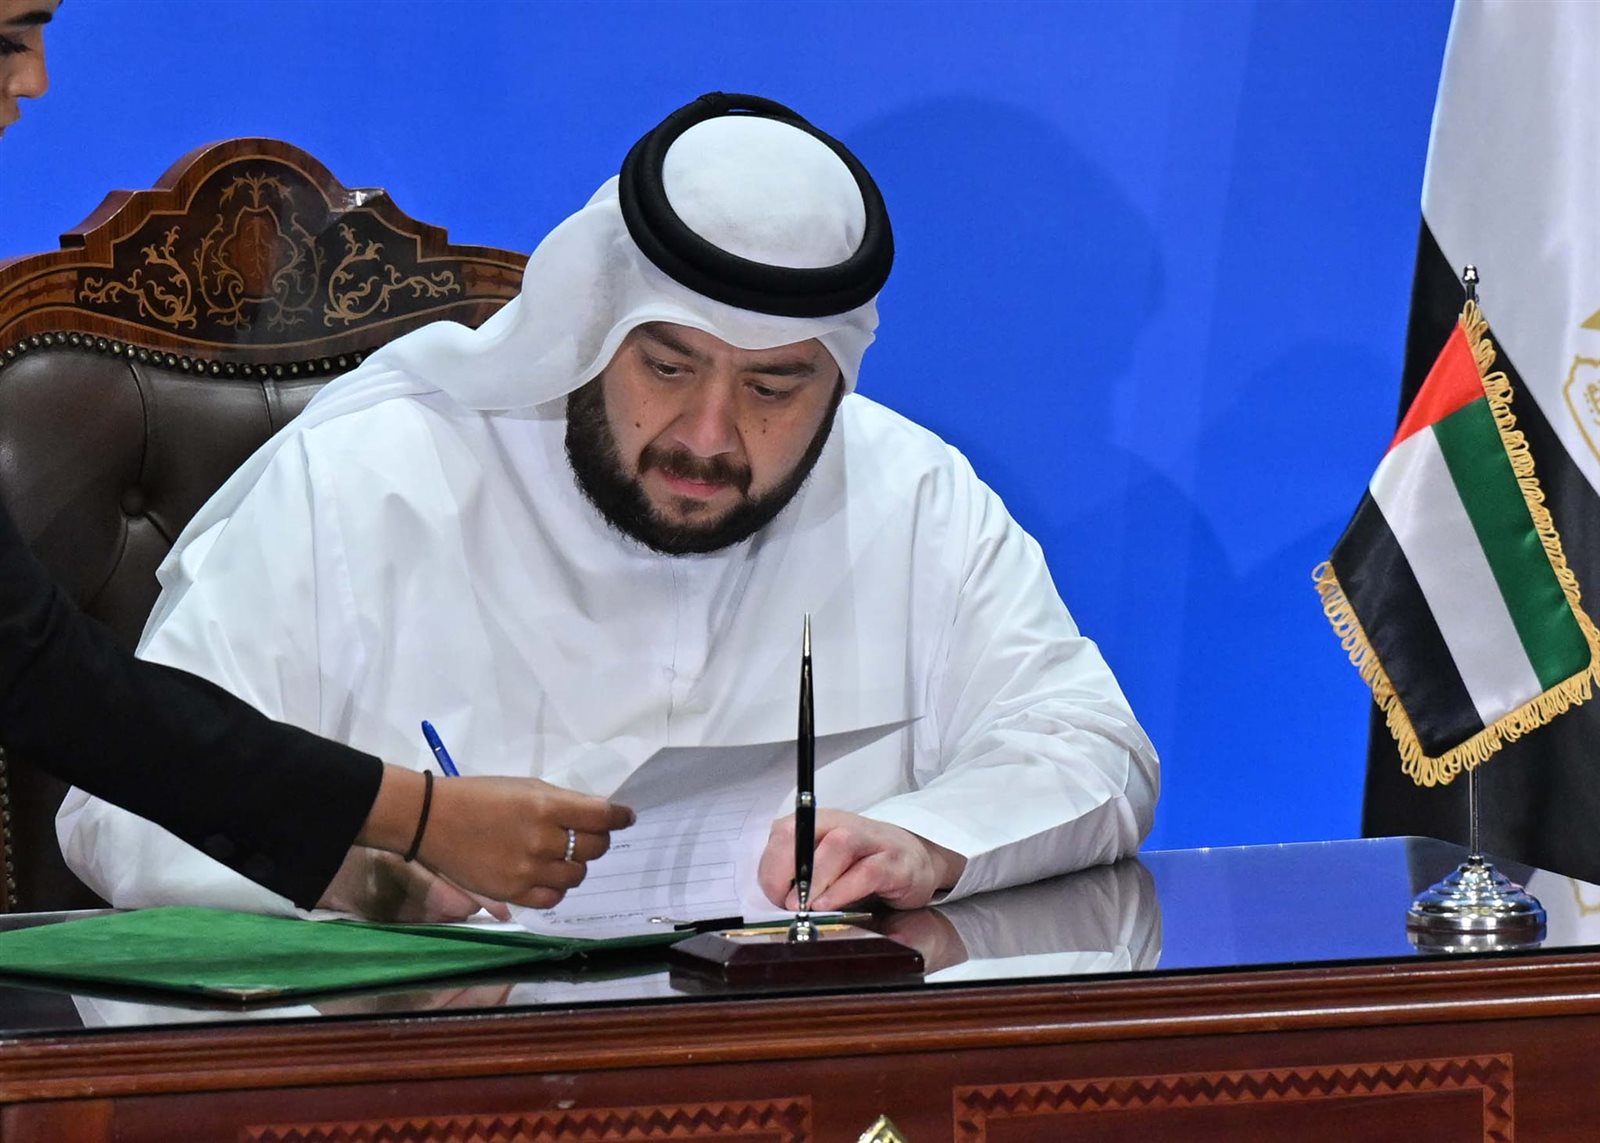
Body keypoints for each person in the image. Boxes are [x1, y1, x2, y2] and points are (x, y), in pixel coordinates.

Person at [58, 92, 1160, 919]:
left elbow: (1089, 745)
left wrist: (929, 838)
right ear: (592, 330)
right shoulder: (369, 479)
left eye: (774, 388)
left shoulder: (913, 495)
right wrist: (361, 867)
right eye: (667, 367)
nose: (708, 436)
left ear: (837, 377)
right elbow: (122, 811)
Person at [0, 0, 632, 919]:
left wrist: (360, 864)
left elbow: (45, 680)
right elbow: (54, 688)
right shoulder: (344, 471)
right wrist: (421, 814)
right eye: (7, 39)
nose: (36, 80)